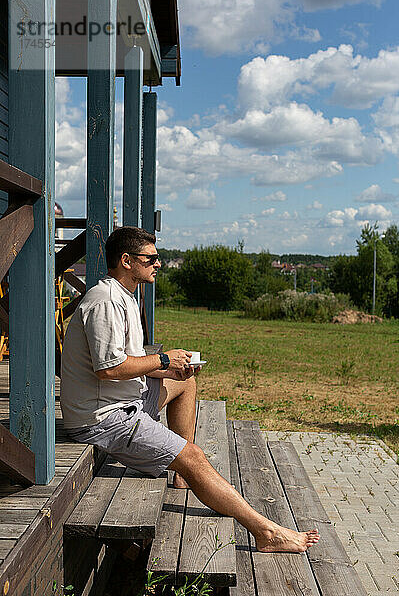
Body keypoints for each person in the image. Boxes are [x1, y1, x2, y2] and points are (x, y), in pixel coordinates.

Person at [60, 226, 320, 553]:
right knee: (195, 456)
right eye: (151, 258)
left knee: (185, 382)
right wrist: (163, 358)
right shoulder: (105, 302)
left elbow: (129, 362)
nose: (158, 264)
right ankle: (266, 532)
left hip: (125, 400)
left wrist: (171, 367)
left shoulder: (124, 295)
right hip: (104, 420)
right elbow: (110, 369)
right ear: (126, 261)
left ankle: (182, 473)